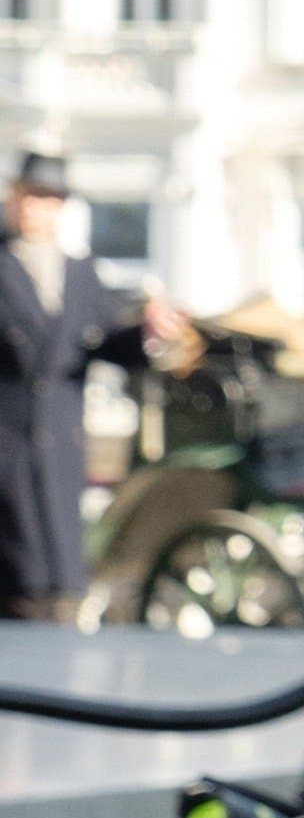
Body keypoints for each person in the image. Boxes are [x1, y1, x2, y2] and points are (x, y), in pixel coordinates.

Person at [0, 152, 190, 619]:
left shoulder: (79, 272)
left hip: (61, 440)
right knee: (17, 575)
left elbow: (107, 342)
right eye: (27, 197)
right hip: (8, 442)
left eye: (45, 199)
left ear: (60, 207)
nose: (32, 209)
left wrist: (148, 333)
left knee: (61, 574)